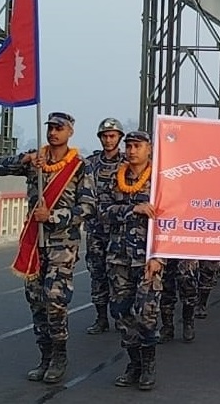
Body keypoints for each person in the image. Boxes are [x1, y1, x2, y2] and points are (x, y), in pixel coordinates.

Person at [0, 112, 93, 384]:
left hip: (62, 242)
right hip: (35, 242)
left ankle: (59, 356)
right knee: (36, 300)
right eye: (51, 128)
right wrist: (24, 160)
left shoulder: (80, 166)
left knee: (54, 299)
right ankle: (44, 356)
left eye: (59, 128)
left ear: (70, 132)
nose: (53, 132)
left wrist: (54, 217)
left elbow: (87, 207)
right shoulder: (36, 160)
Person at [101, 130, 164, 390]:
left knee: (146, 313)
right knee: (121, 313)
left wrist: (159, 256)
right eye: (128, 146)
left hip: (148, 259)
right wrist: (132, 208)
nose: (132, 150)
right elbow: (103, 211)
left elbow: (169, 221)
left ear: (149, 149)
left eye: (137, 146)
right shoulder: (115, 178)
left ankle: (148, 365)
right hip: (119, 258)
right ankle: (134, 363)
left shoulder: (160, 180)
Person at [84, 117, 125, 335]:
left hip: (119, 230)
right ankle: (101, 318)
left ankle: (120, 317)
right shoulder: (90, 163)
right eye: (105, 136)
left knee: (119, 276)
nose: (108, 140)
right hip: (95, 230)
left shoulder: (128, 163)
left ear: (119, 138)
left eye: (112, 136)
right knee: (97, 274)